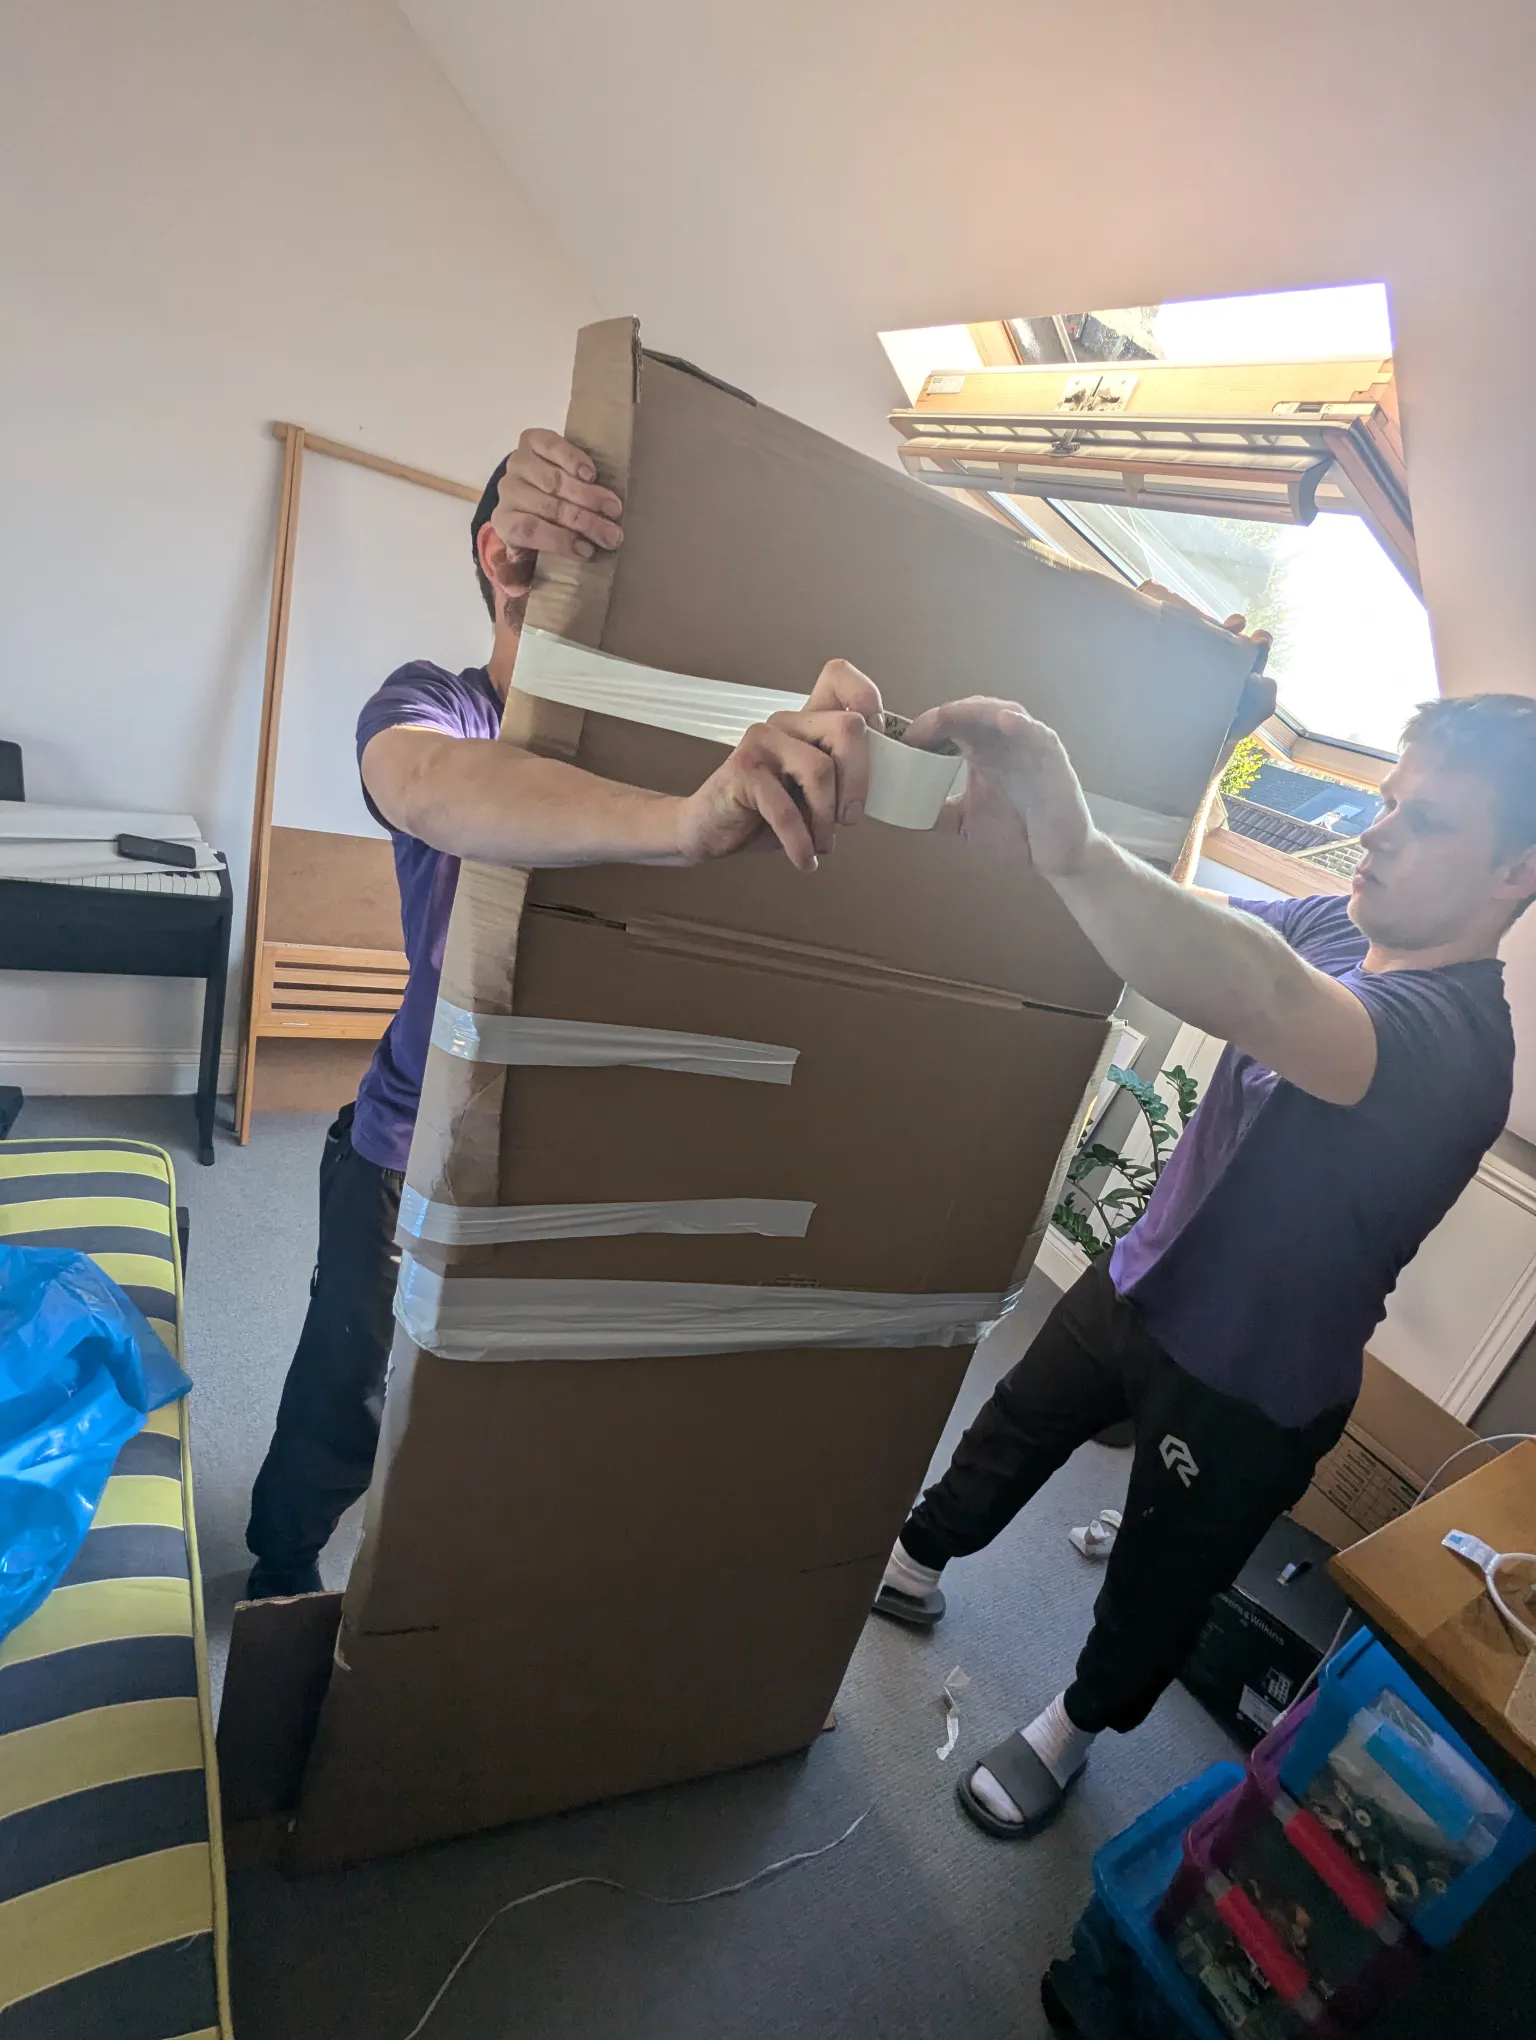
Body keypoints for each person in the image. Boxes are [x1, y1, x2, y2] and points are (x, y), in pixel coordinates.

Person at [874, 680, 1536, 1839]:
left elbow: (1262, 992)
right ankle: (916, 1559)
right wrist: (1046, 835)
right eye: (1388, 801)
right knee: (1012, 1428)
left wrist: (1072, 840)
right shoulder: (1338, 922)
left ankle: (1073, 1729)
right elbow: (1185, 926)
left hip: (1253, 1385)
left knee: (1158, 1582)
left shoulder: (1461, 1045)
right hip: (1142, 1276)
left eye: (1426, 821)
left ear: (1514, 874)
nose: (1379, 831)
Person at [245, 429, 883, 1598]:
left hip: (583, 1161)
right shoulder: (442, 705)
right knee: (349, 1389)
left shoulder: (679, 741)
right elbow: (428, 783)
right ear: (506, 561)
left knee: (509, 1414)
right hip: (411, 1142)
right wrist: (680, 826)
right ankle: (280, 1565)